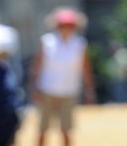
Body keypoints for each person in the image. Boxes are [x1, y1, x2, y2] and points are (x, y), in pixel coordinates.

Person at [30, 8, 95, 146]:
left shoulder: (80, 44)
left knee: (66, 129)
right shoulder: (47, 41)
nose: (66, 29)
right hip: (47, 90)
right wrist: (35, 89)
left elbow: (86, 69)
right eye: (63, 26)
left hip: (69, 92)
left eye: (69, 26)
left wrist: (89, 90)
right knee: (42, 129)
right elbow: (37, 67)